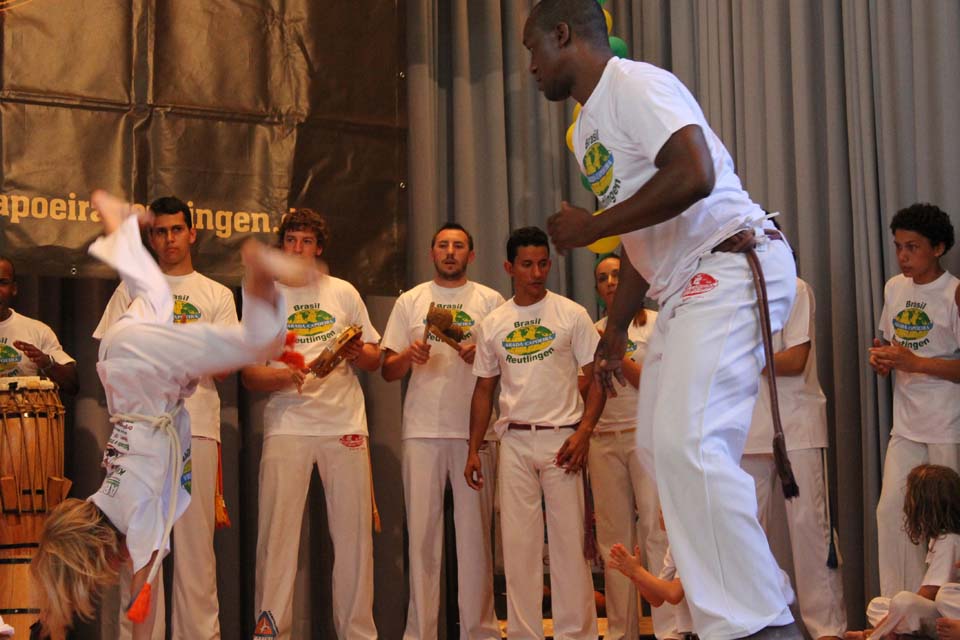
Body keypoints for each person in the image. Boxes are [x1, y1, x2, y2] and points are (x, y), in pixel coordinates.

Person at [524, 1, 799, 637]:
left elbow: (694, 174)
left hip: (730, 258)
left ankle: (762, 620)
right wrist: (616, 331)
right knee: (659, 447)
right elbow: (641, 233)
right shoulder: (588, 132)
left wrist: (592, 225)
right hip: (682, 285)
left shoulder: (636, 84)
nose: (531, 66)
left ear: (563, 34)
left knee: (691, 444)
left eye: (533, 48)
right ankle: (733, 612)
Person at [31, 190, 297, 640]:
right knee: (153, 291)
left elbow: (144, 577)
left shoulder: (136, 515)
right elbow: (138, 572)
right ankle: (120, 226)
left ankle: (257, 268)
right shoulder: (101, 503)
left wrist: (140, 599)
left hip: (144, 375)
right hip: (126, 370)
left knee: (262, 341)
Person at [94, 195, 238, 640]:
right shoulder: (131, 291)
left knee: (196, 553)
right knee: (139, 548)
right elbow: (110, 354)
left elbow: (225, 366)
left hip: (196, 430)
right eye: (160, 232)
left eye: (177, 230)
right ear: (152, 238)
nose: (169, 239)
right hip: (140, 437)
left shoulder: (215, 294)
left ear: (192, 233)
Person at [242, 208, 381, 640]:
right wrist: (283, 376)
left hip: (344, 423)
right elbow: (250, 376)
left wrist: (357, 352)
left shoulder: (343, 292)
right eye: (290, 240)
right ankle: (270, 632)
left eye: (306, 241)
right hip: (287, 424)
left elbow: (375, 358)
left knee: (355, 541)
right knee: (276, 538)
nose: (298, 248)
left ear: (318, 248)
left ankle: (358, 634)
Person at [464, 226, 604, 640]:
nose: (537, 272)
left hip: (564, 438)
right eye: (527, 265)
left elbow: (598, 379)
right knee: (518, 547)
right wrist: (473, 449)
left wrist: (585, 432)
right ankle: (524, 634)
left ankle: (576, 635)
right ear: (509, 268)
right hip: (514, 440)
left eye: (543, 263)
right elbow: (483, 390)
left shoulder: (572, 314)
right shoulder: (494, 323)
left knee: (569, 546)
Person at [381, 222, 503, 640]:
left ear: (472, 254)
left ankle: (479, 633)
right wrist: (409, 356)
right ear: (432, 252)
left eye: (459, 246)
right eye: (443, 245)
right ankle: (420, 634)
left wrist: (481, 355)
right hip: (422, 431)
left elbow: (508, 365)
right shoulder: (411, 301)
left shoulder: (491, 301)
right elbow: (387, 370)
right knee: (422, 542)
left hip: (475, 435)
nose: (451, 252)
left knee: (475, 543)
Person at [741, 277, 847, 640]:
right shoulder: (732, 288)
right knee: (747, 534)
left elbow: (795, 359)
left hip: (795, 426)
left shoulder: (794, 287)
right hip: (745, 429)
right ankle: (760, 625)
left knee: (809, 532)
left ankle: (827, 629)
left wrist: (742, 360)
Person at [578, 253, 672, 640]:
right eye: (603, 278)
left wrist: (617, 355)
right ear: (597, 288)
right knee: (613, 540)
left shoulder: (657, 324)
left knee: (655, 531)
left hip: (644, 436)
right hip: (603, 439)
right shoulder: (591, 330)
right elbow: (581, 389)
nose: (612, 282)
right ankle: (621, 631)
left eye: (618, 274)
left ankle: (669, 630)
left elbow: (658, 385)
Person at [869, 203, 960, 597]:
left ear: (937, 248)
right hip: (905, 424)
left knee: (948, 521)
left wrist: (915, 363)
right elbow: (891, 343)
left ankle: (946, 607)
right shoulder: (894, 287)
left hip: (947, 424)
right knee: (891, 513)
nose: (903, 256)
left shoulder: (954, 293)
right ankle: (898, 607)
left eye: (912, 247)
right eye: (898, 247)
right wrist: (883, 359)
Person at [845, 465, 960, 640]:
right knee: (878, 605)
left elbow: (931, 593)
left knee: (904, 601)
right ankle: (892, 632)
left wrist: (899, 612)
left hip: (946, 614)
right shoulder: (939, 539)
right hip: (938, 614)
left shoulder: (949, 540)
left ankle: (874, 636)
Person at [0, 256, 78, 394]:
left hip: (24, 408)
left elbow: (72, 383)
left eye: (3, 283)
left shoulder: (37, 330)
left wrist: (47, 363)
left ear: (14, 288)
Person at [607, 542, 693, 639]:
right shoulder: (675, 545)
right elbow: (657, 599)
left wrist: (637, 571)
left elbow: (673, 594)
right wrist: (634, 575)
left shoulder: (692, 542)